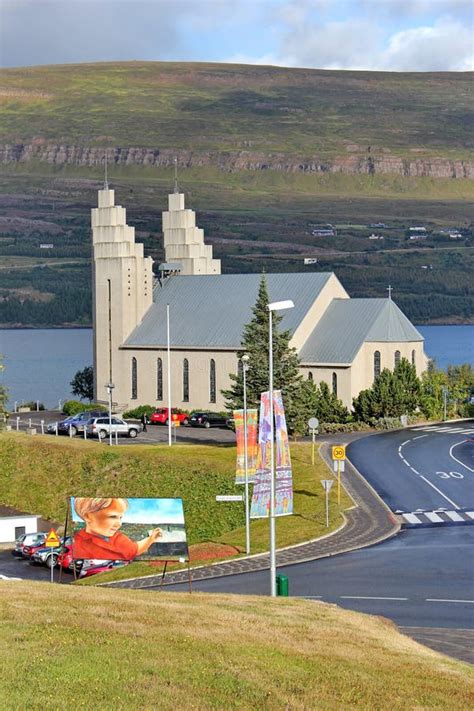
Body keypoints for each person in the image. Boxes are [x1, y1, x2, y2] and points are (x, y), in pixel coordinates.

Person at [72, 497, 162, 561]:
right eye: (112, 516)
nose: (119, 524)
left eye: (120, 518)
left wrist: (151, 538)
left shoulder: (118, 538)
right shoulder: (78, 544)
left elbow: (135, 549)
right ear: (88, 516)